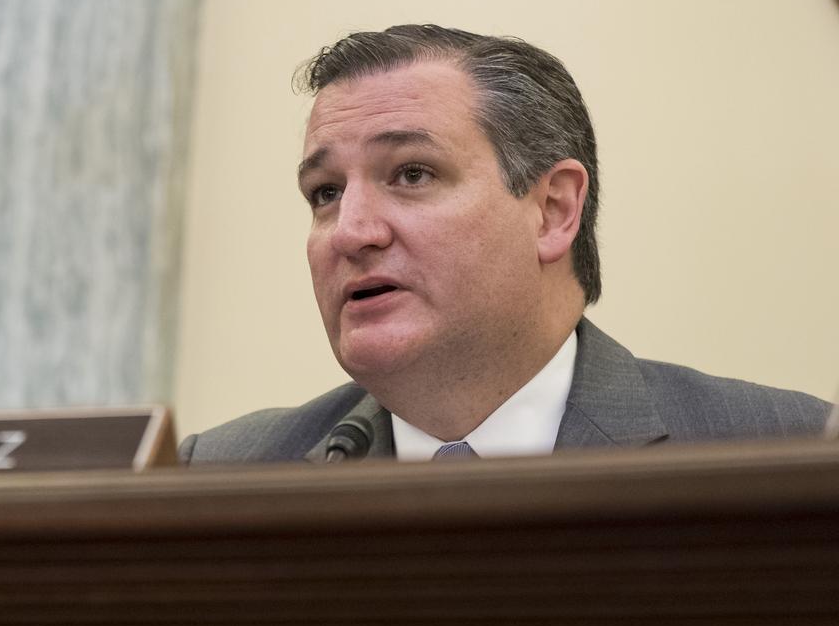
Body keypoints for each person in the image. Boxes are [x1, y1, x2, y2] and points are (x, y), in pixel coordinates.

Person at [180, 24, 830, 464]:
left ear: (553, 211)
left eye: (411, 174)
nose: (350, 230)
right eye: (324, 192)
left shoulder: (790, 452)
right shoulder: (218, 473)